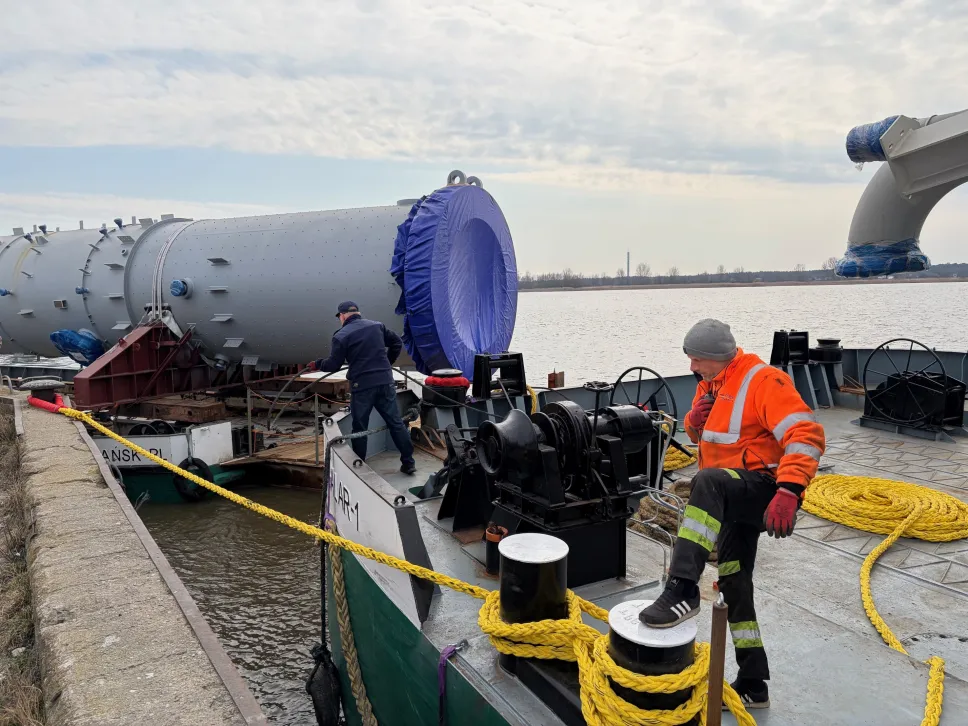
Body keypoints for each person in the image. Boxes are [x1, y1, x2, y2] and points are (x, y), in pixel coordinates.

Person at [637, 318, 825, 710]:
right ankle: (754, 682)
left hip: (763, 489)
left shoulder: (763, 381)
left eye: (695, 360)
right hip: (731, 497)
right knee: (735, 585)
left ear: (716, 357)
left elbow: (805, 433)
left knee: (706, 481)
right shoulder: (711, 384)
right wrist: (695, 419)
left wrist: (789, 490)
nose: (691, 368)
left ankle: (683, 588)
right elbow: (700, 437)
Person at [308, 301, 416, 474]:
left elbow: (334, 365)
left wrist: (317, 364)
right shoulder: (377, 326)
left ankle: (360, 466)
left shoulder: (341, 336)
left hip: (362, 386)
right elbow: (396, 343)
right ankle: (409, 462)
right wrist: (387, 363)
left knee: (360, 427)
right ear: (357, 313)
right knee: (396, 423)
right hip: (385, 382)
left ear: (342, 316)